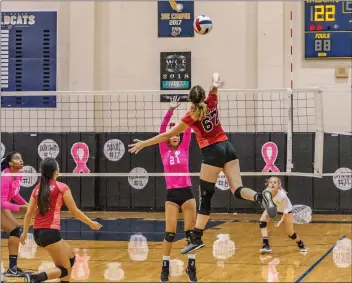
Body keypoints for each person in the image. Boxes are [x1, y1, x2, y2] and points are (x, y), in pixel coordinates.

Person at [128, 73, 277, 254]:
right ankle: (261, 197)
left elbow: (166, 135)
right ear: (202, 96)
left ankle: (196, 238)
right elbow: (214, 88)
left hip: (212, 152)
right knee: (238, 189)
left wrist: (144, 143)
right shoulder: (211, 102)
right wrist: (214, 81)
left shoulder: (191, 116)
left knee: (205, 199)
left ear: (190, 100)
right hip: (228, 146)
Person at [20, 157, 102, 283]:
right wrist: (91, 223)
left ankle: (35, 278)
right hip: (50, 234)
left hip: (37, 233)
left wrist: (25, 233)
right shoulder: (62, 187)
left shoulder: (37, 188)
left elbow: (28, 213)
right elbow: (74, 211)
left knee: (71, 258)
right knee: (64, 269)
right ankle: (34, 278)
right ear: (56, 172)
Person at [158, 96, 197, 282]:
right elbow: (161, 131)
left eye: (177, 134)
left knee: (191, 234)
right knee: (170, 233)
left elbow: (187, 128)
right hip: (172, 194)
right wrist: (170, 110)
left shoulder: (185, 147)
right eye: (171, 134)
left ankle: (192, 267)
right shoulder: (163, 150)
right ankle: (165, 267)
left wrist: (190, 109)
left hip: (187, 192)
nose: (174, 135)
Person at [259, 176, 307, 253]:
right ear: (268, 184)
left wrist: (280, 221)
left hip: (286, 211)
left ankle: (300, 243)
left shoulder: (282, 195)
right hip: (273, 207)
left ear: (279, 185)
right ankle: (266, 245)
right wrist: (271, 214)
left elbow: (286, 210)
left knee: (290, 233)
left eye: (275, 182)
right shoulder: (266, 192)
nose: (272, 184)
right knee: (262, 222)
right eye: (271, 182)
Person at [1, 151, 28, 277]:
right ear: (10, 163)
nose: (21, 160)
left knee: (16, 230)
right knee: (15, 229)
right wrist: (18, 208)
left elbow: (15, 194)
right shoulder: (5, 176)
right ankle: (12, 269)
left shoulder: (19, 174)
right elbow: (2, 202)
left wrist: (27, 204)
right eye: (17, 158)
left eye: (21, 158)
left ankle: (12, 269)